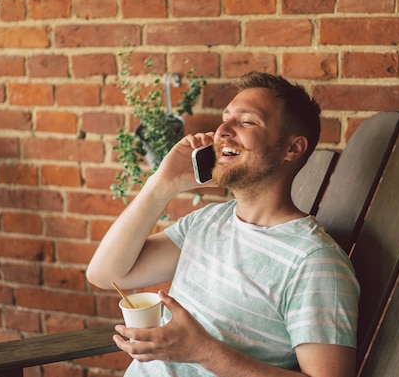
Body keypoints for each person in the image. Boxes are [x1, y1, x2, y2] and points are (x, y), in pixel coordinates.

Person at [86, 71, 359, 377]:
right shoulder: (207, 222)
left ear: (292, 148)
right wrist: (163, 184)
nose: (222, 130)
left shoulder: (314, 261)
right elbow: (106, 274)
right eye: (225, 118)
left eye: (246, 121)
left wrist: (204, 352)